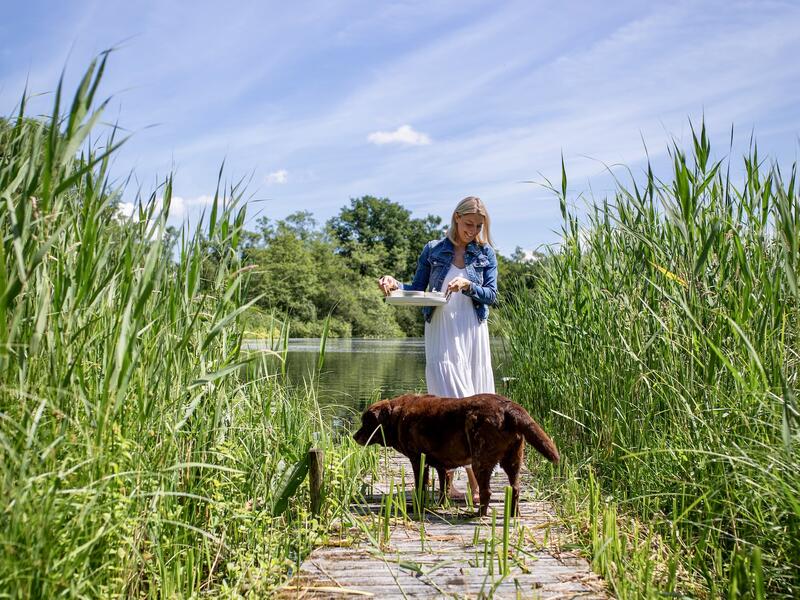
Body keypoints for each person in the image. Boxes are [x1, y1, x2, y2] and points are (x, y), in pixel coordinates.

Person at [377, 196, 498, 504]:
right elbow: (416, 289)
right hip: (441, 329)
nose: (473, 230)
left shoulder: (485, 253)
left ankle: (473, 480)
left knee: (476, 396)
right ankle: (465, 480)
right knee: (451, 397)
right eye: (469, 224)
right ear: (456, 218)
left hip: (471, 328)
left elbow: (492, 295)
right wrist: (393, 284)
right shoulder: (433, 250)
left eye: (478, 226)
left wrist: (469, 286)